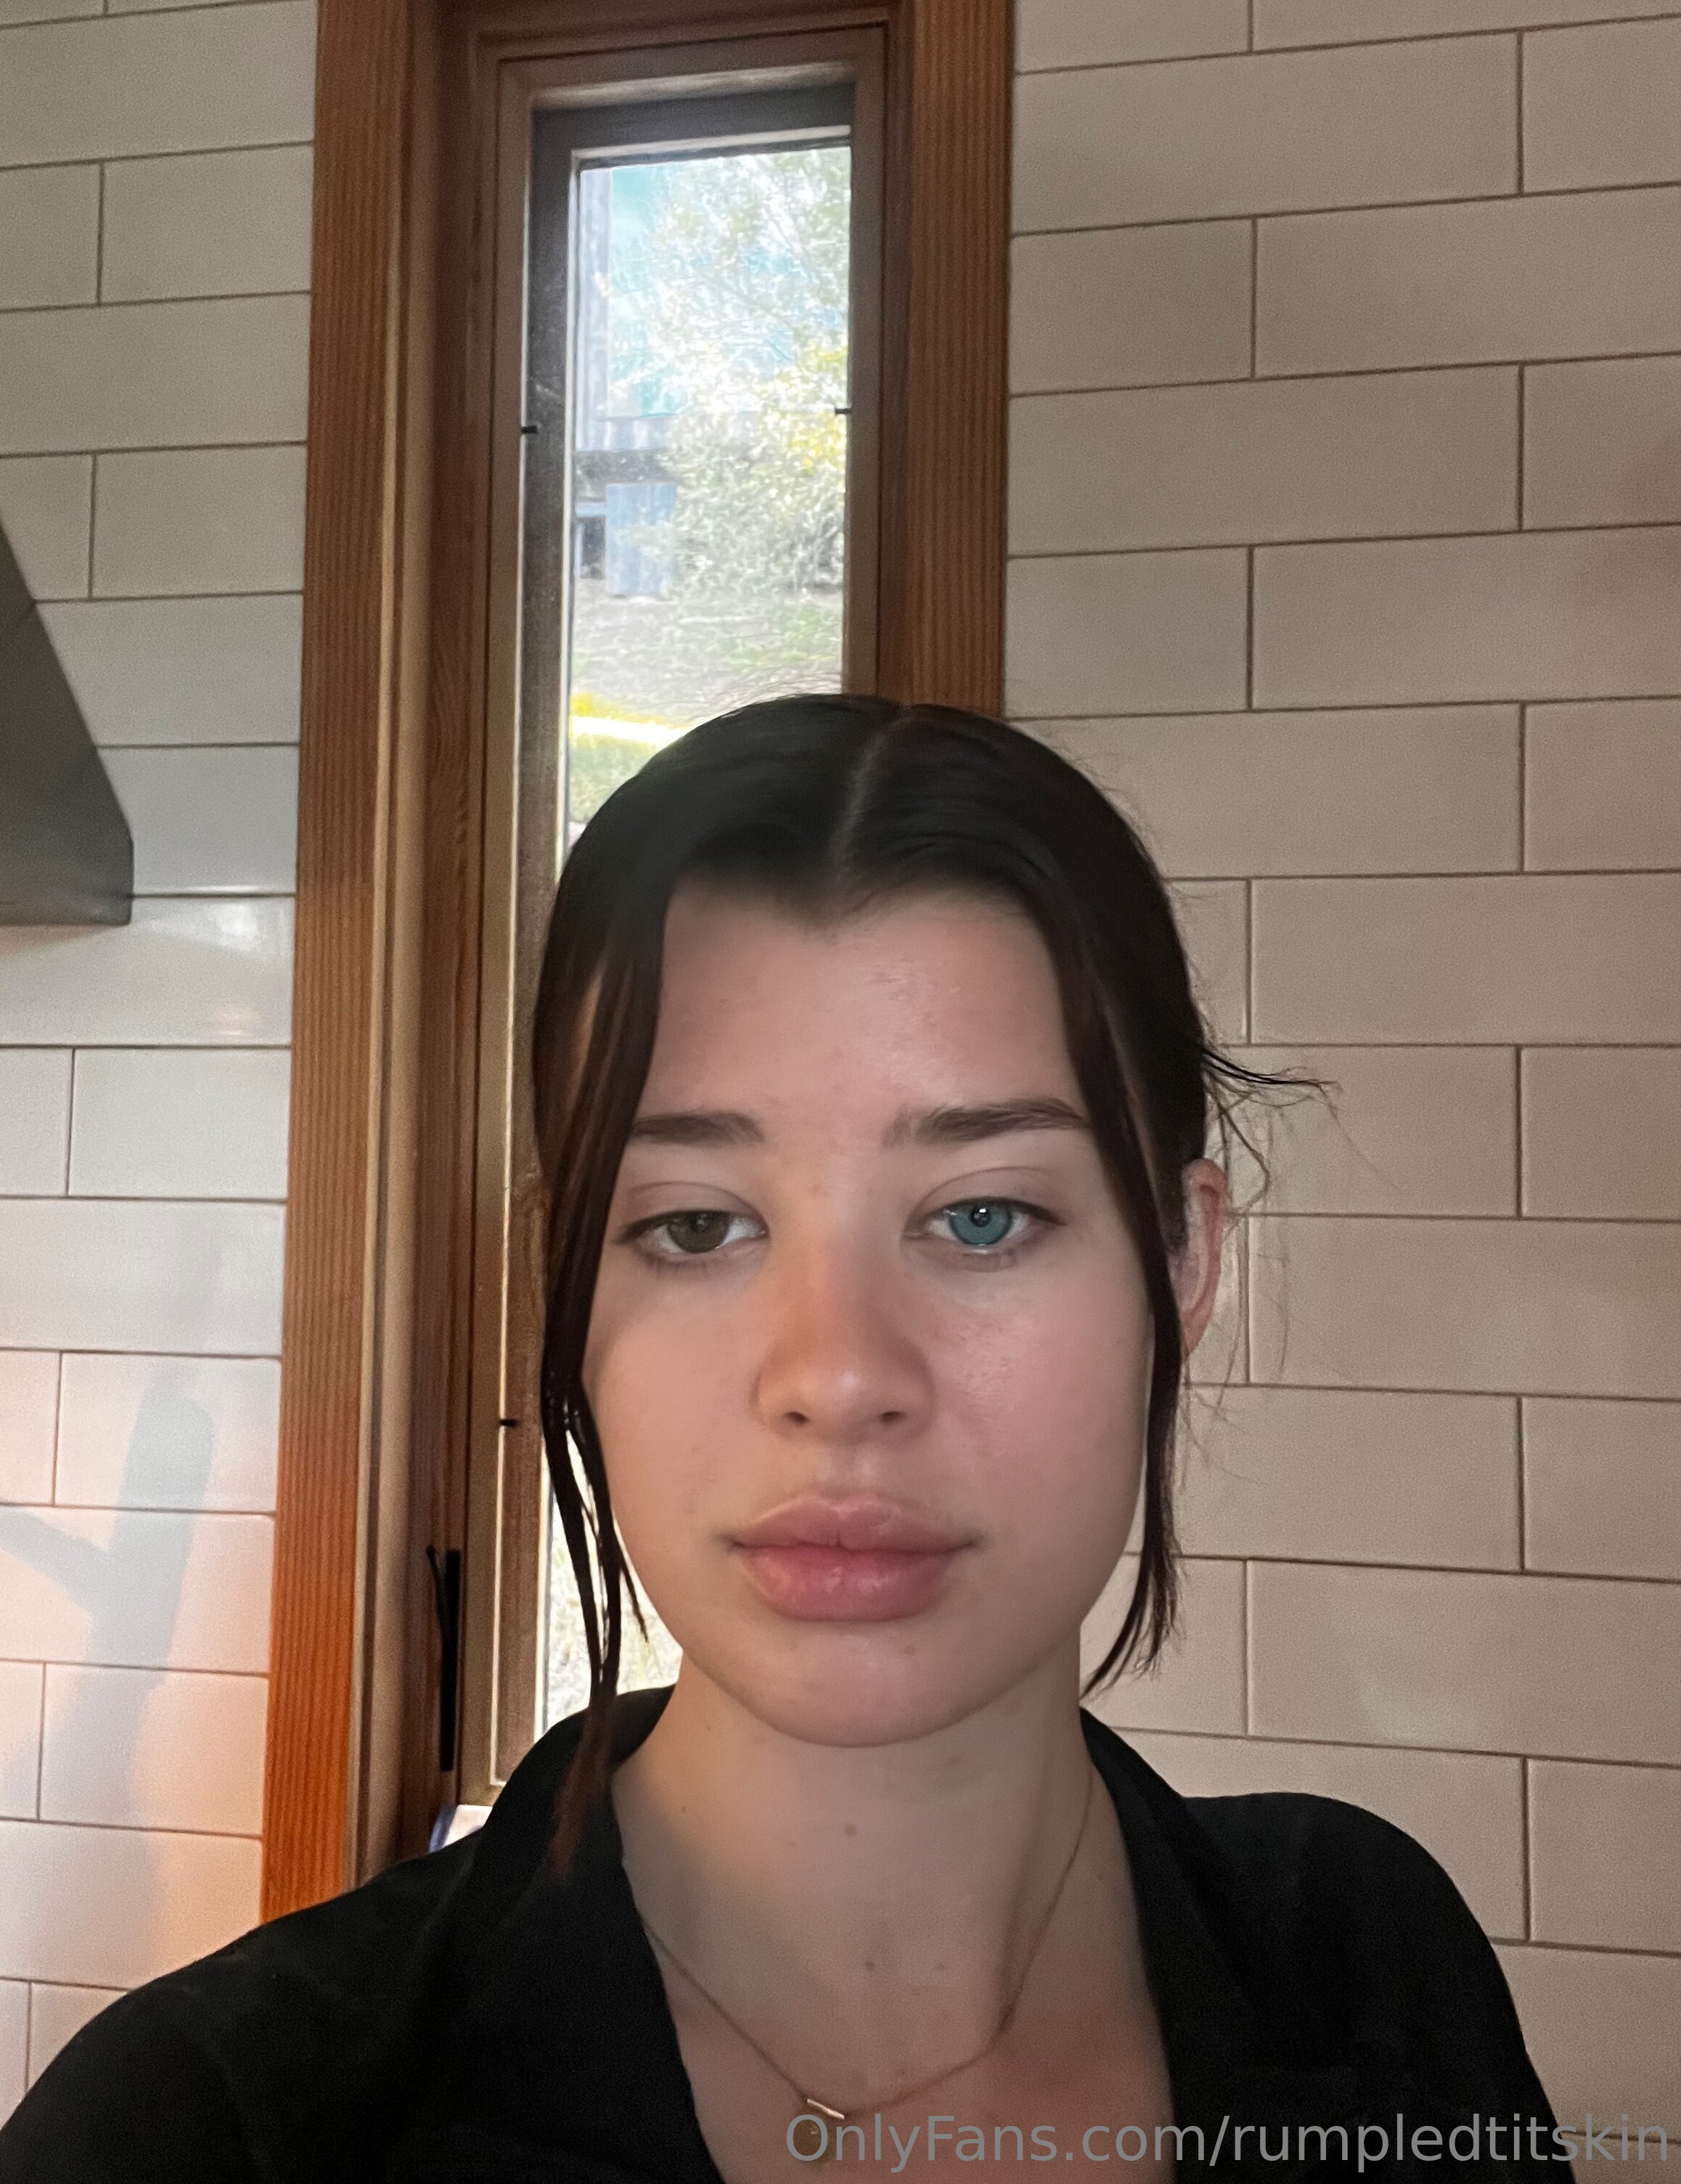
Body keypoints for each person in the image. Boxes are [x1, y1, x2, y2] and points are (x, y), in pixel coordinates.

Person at [0, 695, 1561, 2181]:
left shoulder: (1364, 1955)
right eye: (695, 1225)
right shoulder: (203, 2128)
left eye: (982, 1215)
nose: (839, 1375)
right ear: (565, 1280)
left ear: (1185, 1259)